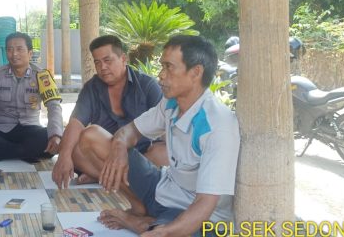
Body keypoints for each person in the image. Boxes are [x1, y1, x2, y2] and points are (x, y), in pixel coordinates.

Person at [98, 35, 240, 236]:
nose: (161, 75)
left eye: (169, 67)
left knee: (168, 233)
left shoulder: (217, 125)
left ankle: (144, 224)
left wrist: (163, 233)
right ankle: (148, 219)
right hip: (164, 189)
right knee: (95, 138)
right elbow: (129, 131)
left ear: (196, 72)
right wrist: (119, 148)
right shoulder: (170, 104)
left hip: (200, 215)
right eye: (161, 67)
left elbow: (204, 203)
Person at [52, 35, 166, 190]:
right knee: (77, 145)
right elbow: (76, 123)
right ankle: (124, 180)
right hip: (105, 151)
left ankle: (101, 175)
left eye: (107, 60)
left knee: (163, 153)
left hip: (142, 154)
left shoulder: (147, 85)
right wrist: (63, 156)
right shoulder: (92, 88)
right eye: (97, 62)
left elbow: (166, 126)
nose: (103, 67)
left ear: (123, 59)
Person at [0, 32, 64, 162]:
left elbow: (54, 106)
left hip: (31, 128)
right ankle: (25, 152)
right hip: (3, 130)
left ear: (30, 53)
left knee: (48, 139)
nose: (14, 54)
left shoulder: (42, 76)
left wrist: (55, 135)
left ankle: (4, 153)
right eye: (10, 49)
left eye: (19, 49)